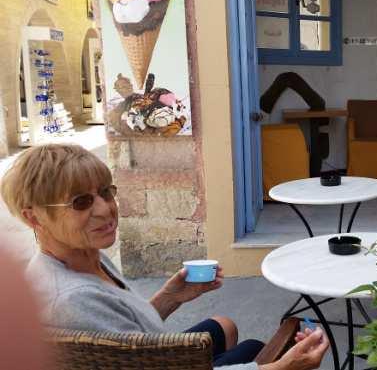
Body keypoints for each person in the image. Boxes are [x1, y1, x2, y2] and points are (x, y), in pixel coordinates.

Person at [1, 144, 328, 370]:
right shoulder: (71, 300)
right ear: (34, 218)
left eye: (105, 192)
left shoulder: (82, 253)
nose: (106, 210)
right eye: (81, 202)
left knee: (223, 325)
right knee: (260, 350)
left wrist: (170, 297)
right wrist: (283, 366)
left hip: (146, 353)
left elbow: (126, 337)